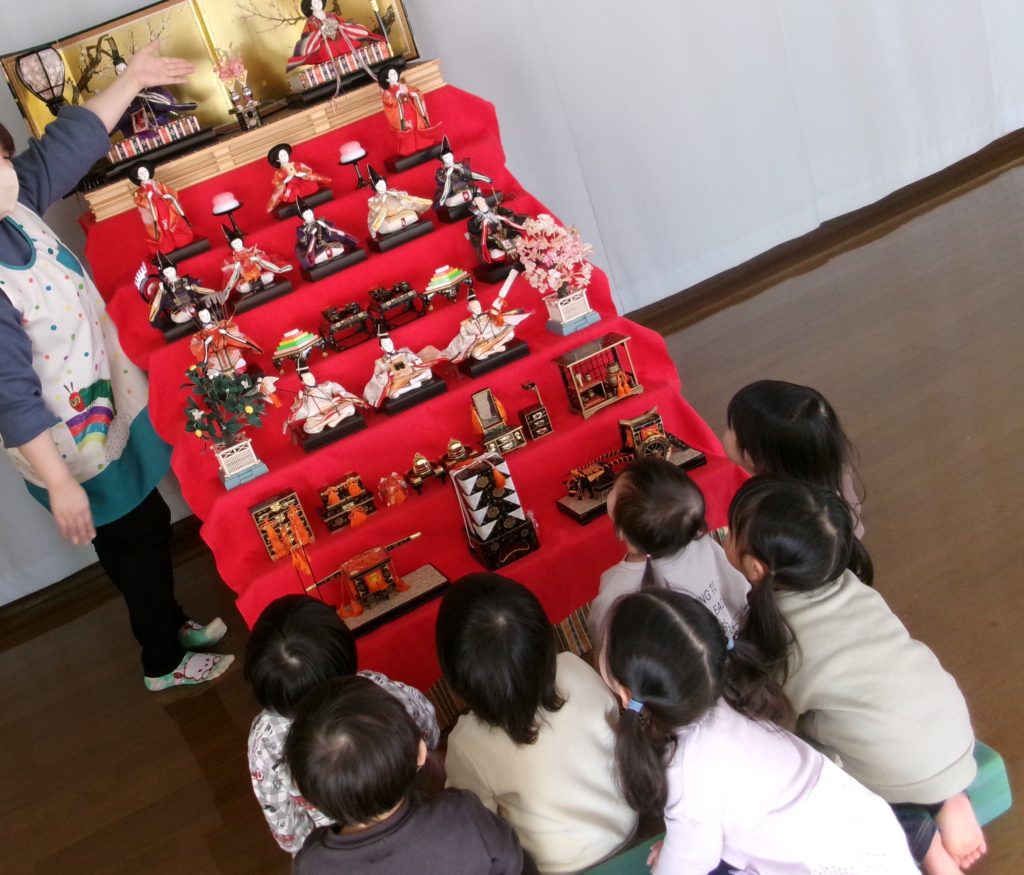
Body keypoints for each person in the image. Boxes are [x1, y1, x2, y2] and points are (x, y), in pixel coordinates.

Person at [0, 41, 231, 691]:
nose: (10, 173)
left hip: (101, 411)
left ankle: (169, 625)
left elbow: (69, 145)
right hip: (66, 444)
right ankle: (162, 659)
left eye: (4, 161)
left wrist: (132, 80)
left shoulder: (15, 205)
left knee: (133, 529)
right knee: (140, 534)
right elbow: (10, 395)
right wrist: (60, 484)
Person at [725, 476, 984, 874]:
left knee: (812, 777)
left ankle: (924, 840)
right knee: (876, 731)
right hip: (951, 732)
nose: (725, 538)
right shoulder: (853, 585)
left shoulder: (784, 640)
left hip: (898, 771)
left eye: (730, 533)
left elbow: (773, 727)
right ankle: (949, 799)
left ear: (755, 568)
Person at [602, 589, 918, 875]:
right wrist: (683, 845)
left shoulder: (686, 772)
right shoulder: (733, 692)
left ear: (627, 694)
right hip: (867, 832)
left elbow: (684, 868)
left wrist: (678, 854)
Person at [437, 573, 637, 873]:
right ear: (544, 637)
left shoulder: (466, 743)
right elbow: (613, 723)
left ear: (456, 677)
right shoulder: (573, 667)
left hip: (561, 869)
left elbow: (476, 825)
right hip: (630, 829)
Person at [244, 595, 440, 856]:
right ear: (345, 655)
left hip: (341, 849)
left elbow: (287, 826)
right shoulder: (377, 691)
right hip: (417, 813)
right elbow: (427, 726)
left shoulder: (265, 741)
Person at [285, 674, 536, 874]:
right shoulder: (462, 813)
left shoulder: (311, 864)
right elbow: (515, 863)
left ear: (303, 791)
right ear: (420, 752)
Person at [587, 458, 749, 648]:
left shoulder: (617, 587)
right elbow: (740, 593)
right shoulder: (702, 543)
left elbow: (601, 634)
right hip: (732, 645)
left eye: (614, 489)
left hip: (687, 665)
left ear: (621, 532)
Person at [723, 379, 865, 537]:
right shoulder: (830, 467)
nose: (726, 429)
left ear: (754, 457)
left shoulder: (772, 513)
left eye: (730, 427)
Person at [286, 0, 384, 72]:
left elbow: (343, 23)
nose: (318, 3)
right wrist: (320, 32)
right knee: (326, 49)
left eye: (319, 1)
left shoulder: (331, 15)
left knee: (347, 41)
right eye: (315, 2)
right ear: (310, 7)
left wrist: (339, 26)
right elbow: (306, 39)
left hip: (339, 37)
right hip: (324, 44)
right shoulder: (310, 22)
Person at [127, 159, 194, 254]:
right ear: (137, 176)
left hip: (166, 207)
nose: (144, 174)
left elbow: (172, 193)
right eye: (141, 173)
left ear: (149, 172)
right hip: (154, 213)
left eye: (145, 171)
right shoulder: (137, 193)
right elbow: (139, 202)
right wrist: (148, 199)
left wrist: (169, 196)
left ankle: (180, 240)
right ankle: (166, 245)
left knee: (172, 223)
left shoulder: (159, 184)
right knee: (161, 228)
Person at [377, 62, 441, 156]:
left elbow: (416, 91)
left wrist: (415, 95)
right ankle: (408, 149)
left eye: (394, 73)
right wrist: (396, 96)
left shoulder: (403, 86)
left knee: (417, 125)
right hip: (402, 114)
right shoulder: (387, 93)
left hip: (412, 109)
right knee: (407, 130)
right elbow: (389, 103)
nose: (394, 75)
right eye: (391, 74)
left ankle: (424, 144)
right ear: (387, 78)